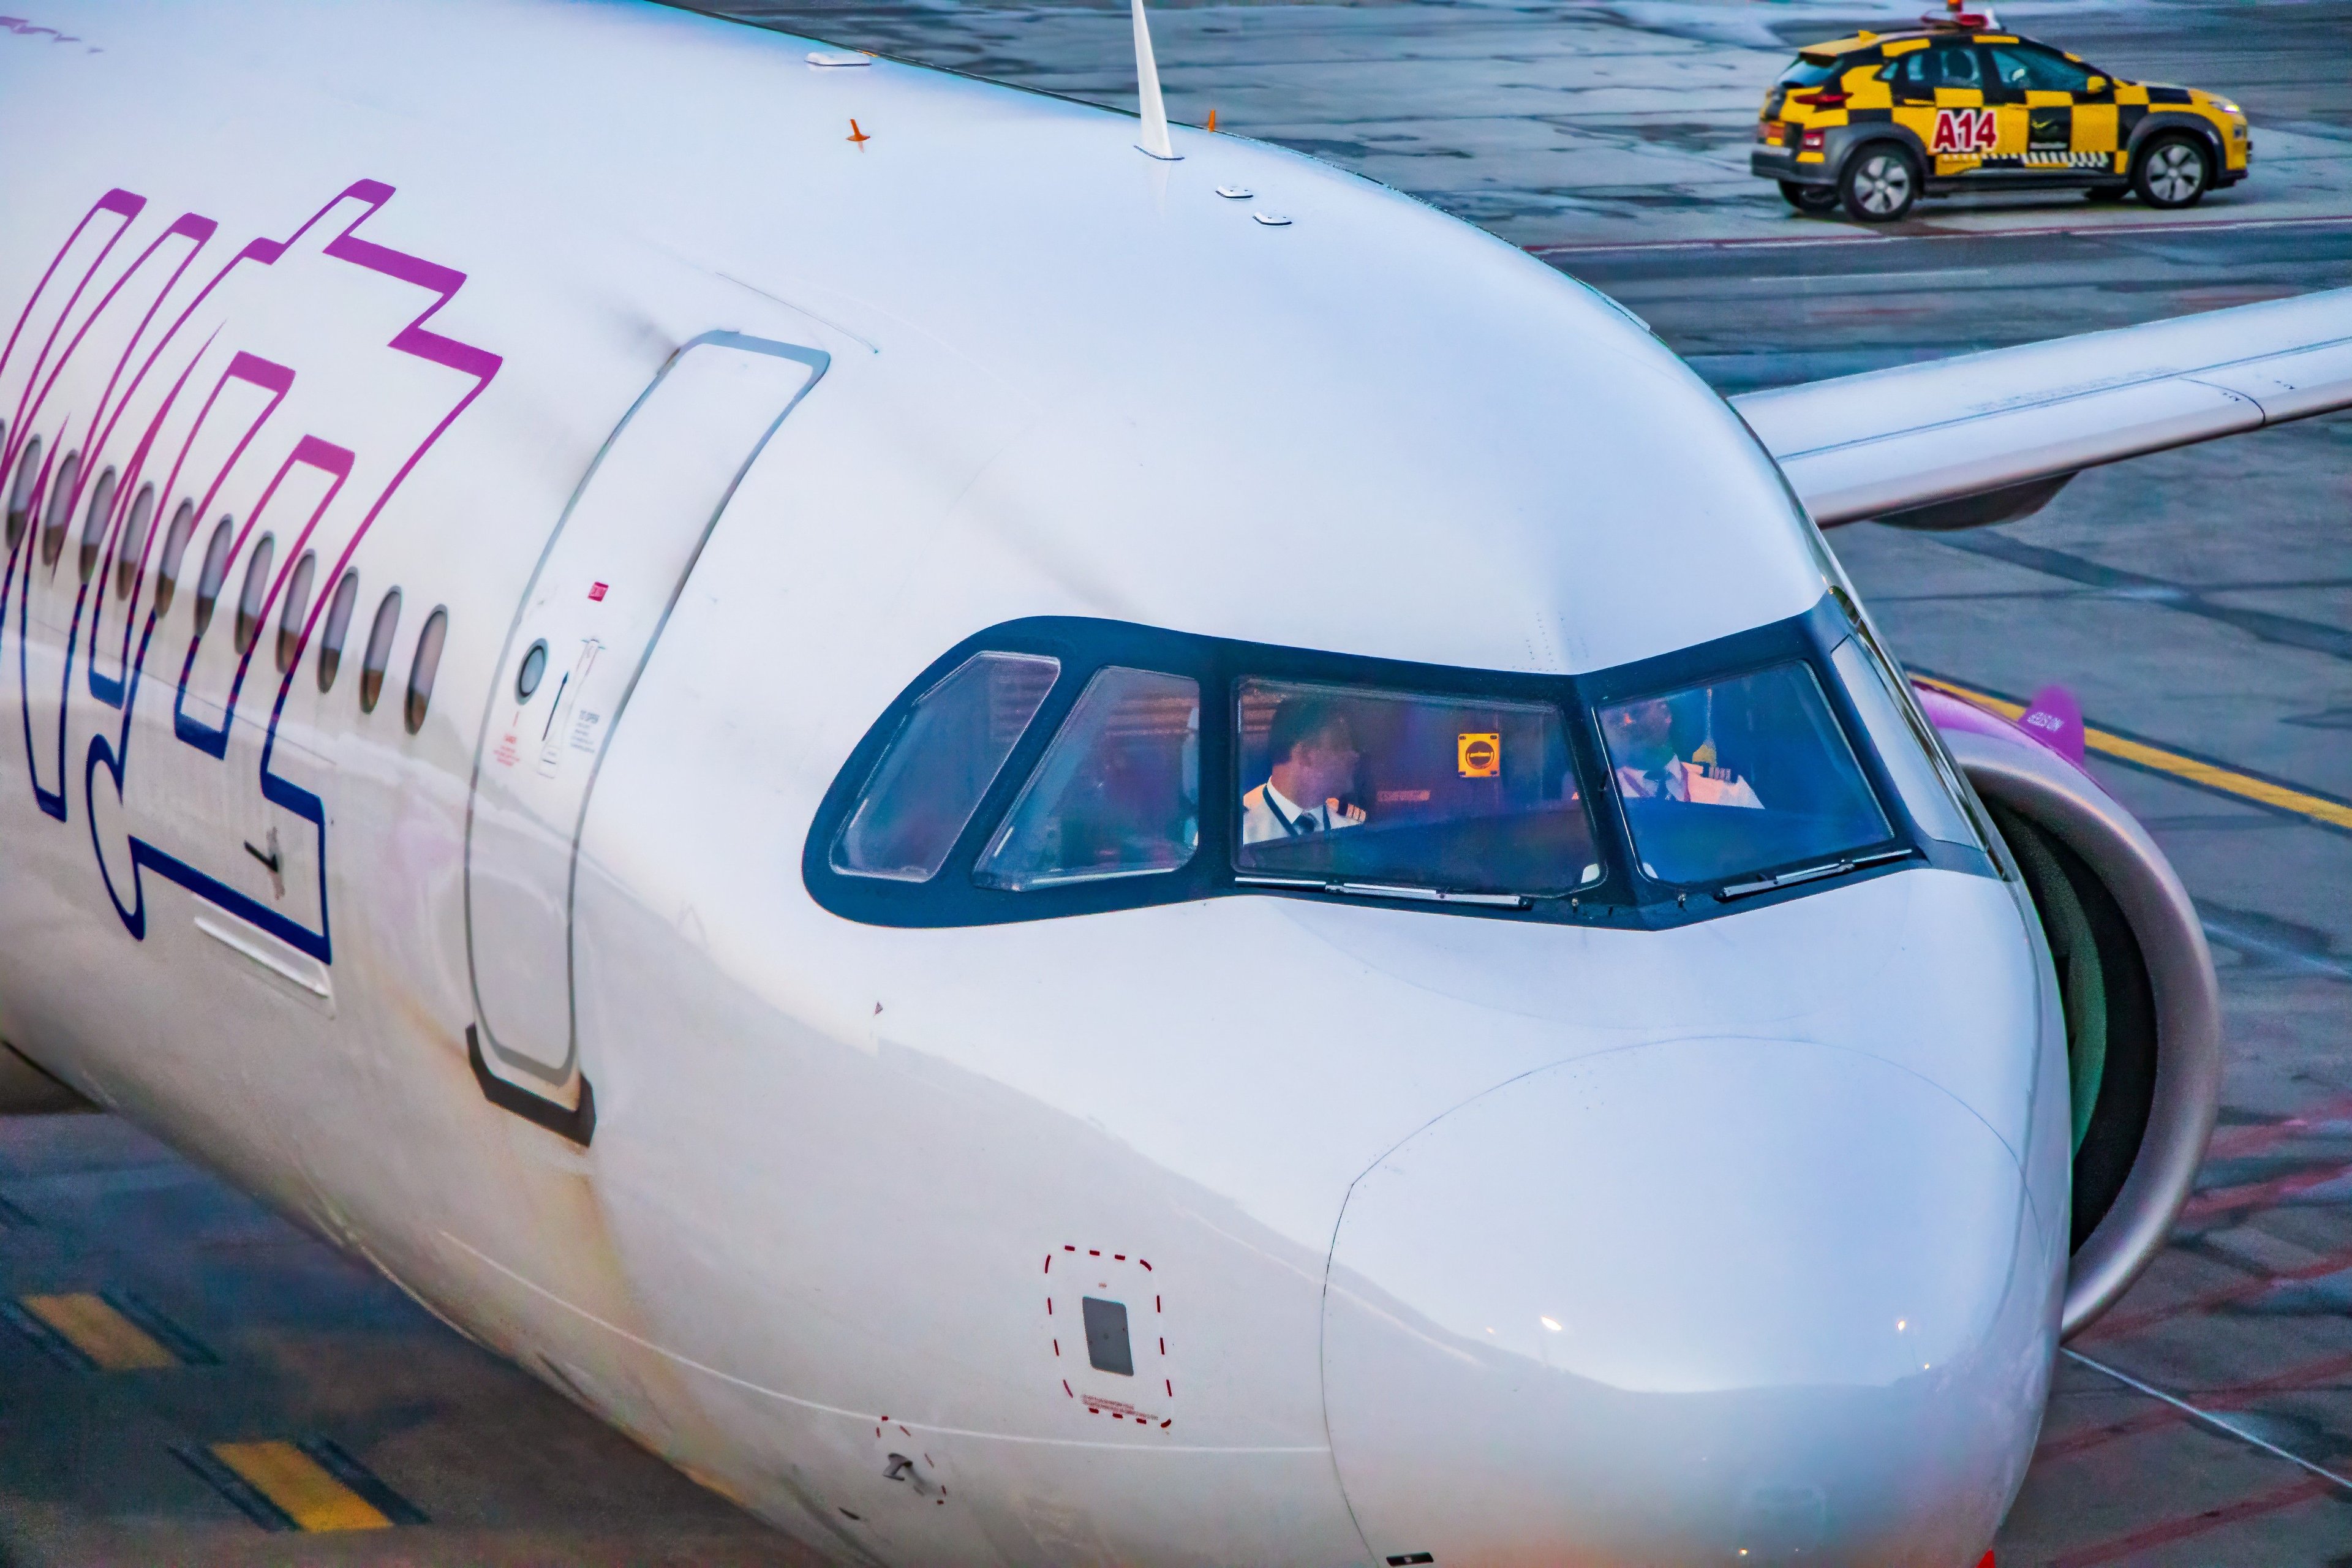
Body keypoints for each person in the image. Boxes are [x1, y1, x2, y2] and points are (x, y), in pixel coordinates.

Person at [1242, 697, 1369, 844]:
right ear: (1305, 755)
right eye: (1340, 746)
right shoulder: (1241, 829)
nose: (1354, 755)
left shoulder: (1352, 825)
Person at [1607, 693, 1762, 809]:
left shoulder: (1727, 786)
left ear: (1666, 713)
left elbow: (1765, 842)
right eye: (1615, 720)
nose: (1627, 723)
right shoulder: (1605, 795)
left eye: (1636, 712)